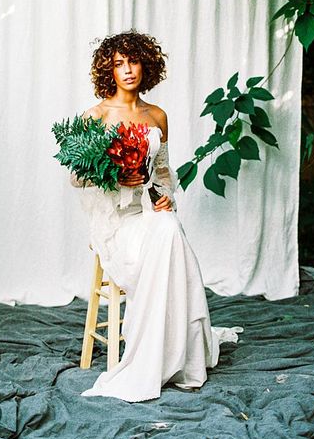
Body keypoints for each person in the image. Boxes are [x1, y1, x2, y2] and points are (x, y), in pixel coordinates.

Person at [72, 30, 240, 403]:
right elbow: (76, 176)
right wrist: (116, 175)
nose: (127, 70)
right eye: (118, 64)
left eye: (133, 61)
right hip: (116, 223)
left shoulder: (157, 115)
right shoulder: (95, 115)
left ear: (146, 64)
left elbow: (162, 174)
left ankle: (165, 356)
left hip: (150, 217)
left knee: (167, 225)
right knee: (169, 234)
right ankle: (169, 357)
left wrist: (164, 199)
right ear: (108, 71)